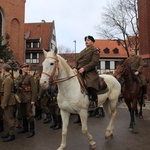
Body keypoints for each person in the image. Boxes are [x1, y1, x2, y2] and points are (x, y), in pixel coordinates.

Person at [73, 35, 100, 108]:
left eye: (88, 40)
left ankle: (94, 100)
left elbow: (95, 62)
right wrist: (74, 67)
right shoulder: (82, 51)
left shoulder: (95, 50)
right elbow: (76, 60)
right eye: (86, 40)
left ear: (92, 42)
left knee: (90, 83)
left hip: (89, 71)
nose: (86, 42)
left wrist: (84, 68)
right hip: (78, 71)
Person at [17, 63, 37, 138]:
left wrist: (33, 100)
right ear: (21, 68)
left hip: (28, 98)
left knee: (30, 114)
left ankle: (32, 131)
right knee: (23, 114)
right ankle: (25, 128)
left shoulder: (30, 77)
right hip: (21, 98)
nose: (26, 68)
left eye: (26, 67)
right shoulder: (19, 77)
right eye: (24, 67)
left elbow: (34, 90)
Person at [1, 64, 16, 142]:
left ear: (4, 69)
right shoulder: (7, 78)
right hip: (8, 100)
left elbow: (7, 93)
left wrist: (3, 103)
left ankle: (12, 134)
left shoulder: (8, 79)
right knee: (7, 117)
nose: (1, 69)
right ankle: (9, 132)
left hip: (9, 101)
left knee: (9, 118)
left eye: (2, 68)